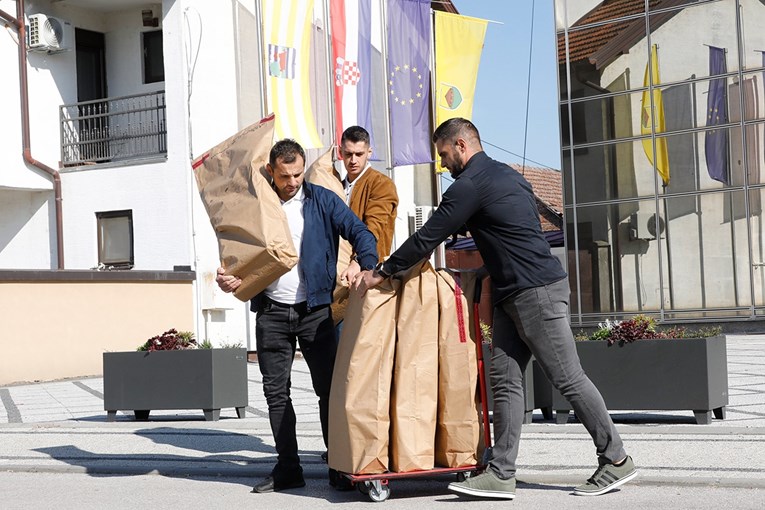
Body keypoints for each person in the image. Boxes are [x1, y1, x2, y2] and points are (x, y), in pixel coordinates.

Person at [353, 118, 636, 500]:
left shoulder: (468, 186)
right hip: (509, 293)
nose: (442, 164)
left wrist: (382, 272)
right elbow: (512, 235)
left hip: (536, 292)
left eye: (444, 154)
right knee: (504, 381)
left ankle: (616, 459)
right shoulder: (508, 177)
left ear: (460, 145)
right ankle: (501, 473)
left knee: (567, 377)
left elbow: (428, 236)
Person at [216, 139, 378, 494]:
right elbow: (234, 256)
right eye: (285, 175)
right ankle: (288, 468)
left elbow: (361, 232)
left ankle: (338, 465)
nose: (293, 181)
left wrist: (364, 263)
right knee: (276, 394)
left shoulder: (322, 201)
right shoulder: (256, 206)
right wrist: (227, 277)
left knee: (328, 392)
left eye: (298, 173)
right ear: (271, 172)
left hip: (315, 312)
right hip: (272, 312)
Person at [337, 125, 398, 282]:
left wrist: (358, 260)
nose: (353, 160)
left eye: (359, 154)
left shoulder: (381, 183)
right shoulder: (336, 185)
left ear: (369, 152)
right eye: (348, 154)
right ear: (340, 152)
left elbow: (373, 227)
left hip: (368, 272)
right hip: (337, 271)